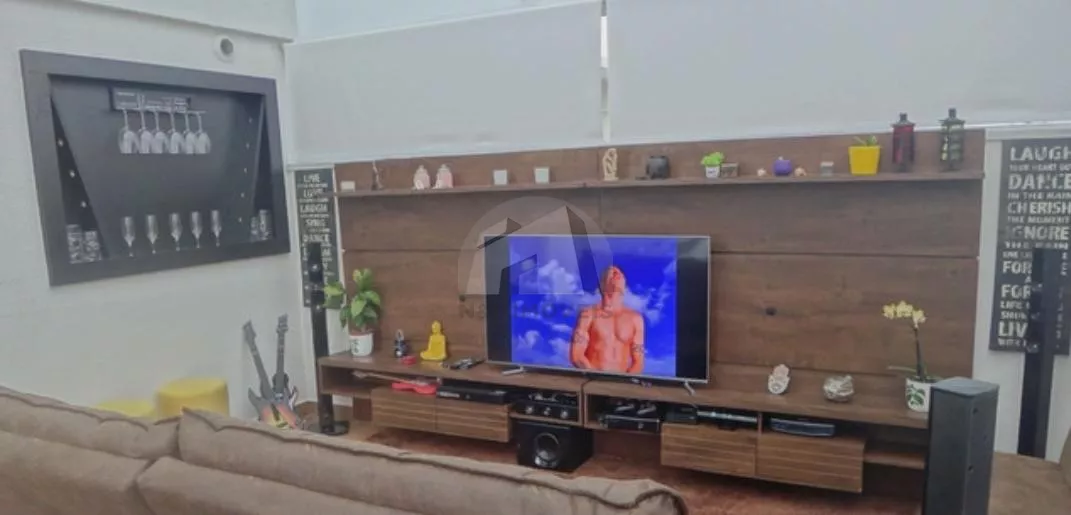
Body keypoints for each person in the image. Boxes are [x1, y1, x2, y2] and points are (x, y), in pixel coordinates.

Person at [569, 265, 645, 373]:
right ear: (602, 284)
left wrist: (625, 380)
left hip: (621, 380)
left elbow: (638, 362)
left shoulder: (635, 319)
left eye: (620, 274)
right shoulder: (588, 314)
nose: (617, 273)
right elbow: (577, 355)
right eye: (613, 273)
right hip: (593, 379)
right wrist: (596, 378)